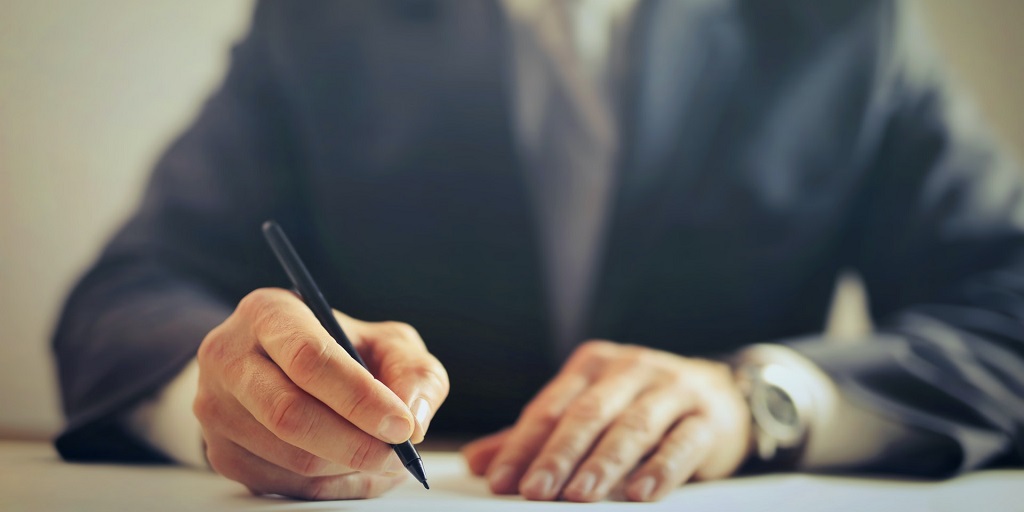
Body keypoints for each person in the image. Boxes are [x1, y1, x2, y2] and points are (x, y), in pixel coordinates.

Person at [53, 0, 1024, 503]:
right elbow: (125, 298)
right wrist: (240, 393)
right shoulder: (321, 22)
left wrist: (761, 401)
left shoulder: (844, 26)